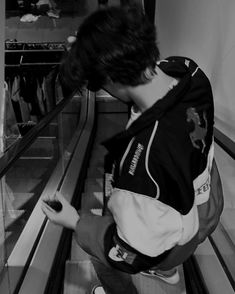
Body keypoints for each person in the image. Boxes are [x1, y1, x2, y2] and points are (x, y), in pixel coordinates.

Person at [41, 5, 224, 294]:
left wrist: (75, 221)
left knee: (99, 253)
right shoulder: (189, 72)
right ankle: (166, 272)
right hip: (206, 206)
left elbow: (127, 252)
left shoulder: (144, 166)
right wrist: (95, 47)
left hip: (173, 240)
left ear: (111, 80)